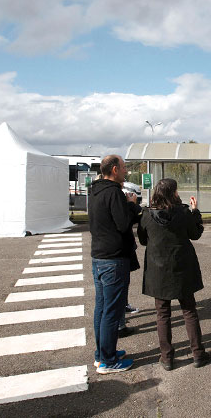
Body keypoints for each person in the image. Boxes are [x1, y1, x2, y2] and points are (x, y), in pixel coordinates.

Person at [137, 178, 211, 370]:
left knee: (162, 314)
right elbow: (195, 233)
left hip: (158, 269)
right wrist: (196, 212)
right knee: (189, 311)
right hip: (182, 267)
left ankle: (167, 357)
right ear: (173, 193)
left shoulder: (147, 214)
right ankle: (197, 353)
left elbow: (143, 240)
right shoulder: (184, 212)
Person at [88, 155, 140, 374]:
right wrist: (131, 205)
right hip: (113, 259)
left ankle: (102, 354)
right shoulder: (114, 193)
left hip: (99, 257)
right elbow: (123, 224)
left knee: (102, 307)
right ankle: (108, 361)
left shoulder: (96, 191)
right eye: (124, 168)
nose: (126, 171)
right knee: (111, 311)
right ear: (115, 169)